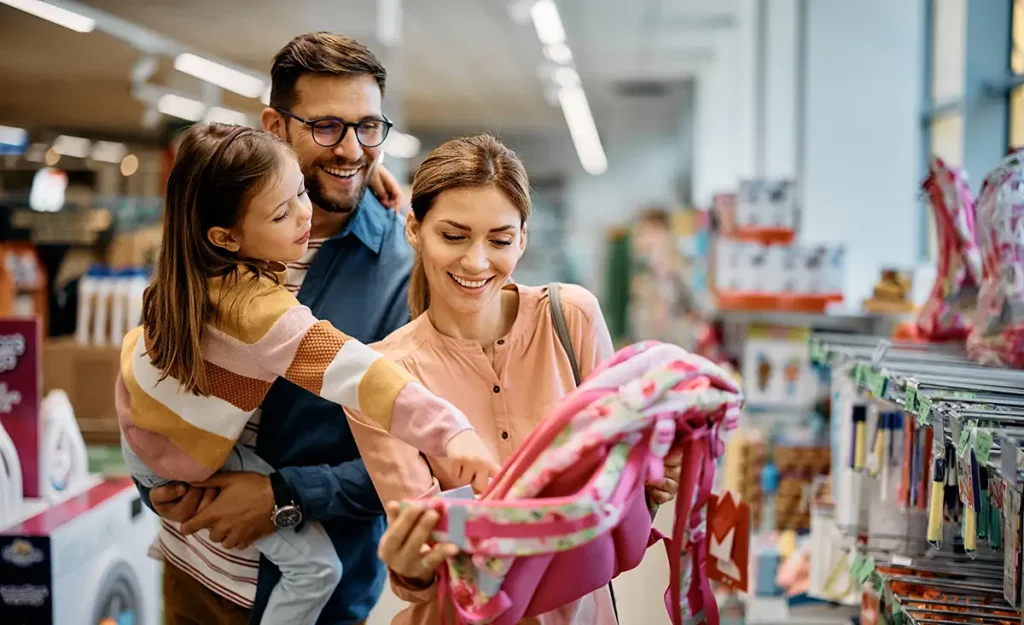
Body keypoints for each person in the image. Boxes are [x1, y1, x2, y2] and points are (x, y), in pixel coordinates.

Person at [117, 121, 500, 625]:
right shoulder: (262, 314)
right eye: (282, 211)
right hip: (183, 472)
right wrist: (452, 432)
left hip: (149, 429)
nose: (305, 213)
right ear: (226, 236)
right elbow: (365, 376)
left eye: (300, 188)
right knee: (317, 570)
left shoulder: (186, 269)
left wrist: (375, 179)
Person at [127, 33, 424, 625]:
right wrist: (154, 482)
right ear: (274, 125)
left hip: (310, 595)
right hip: (193, 568)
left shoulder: (402, 269)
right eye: (327, 127)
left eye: (368, 127)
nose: (352, 150)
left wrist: (285, 496)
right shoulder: (216, 228)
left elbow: (419, 458)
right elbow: (161, 365)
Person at [347, 134, 683, 625]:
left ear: (522, 239)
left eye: (500, 240)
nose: (477, 262)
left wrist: (649, 480)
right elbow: (426, 561)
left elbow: (620, 488)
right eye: (454, 236)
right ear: (415, 230)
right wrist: (412, 568)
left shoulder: (572, 319)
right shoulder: (384, 377)